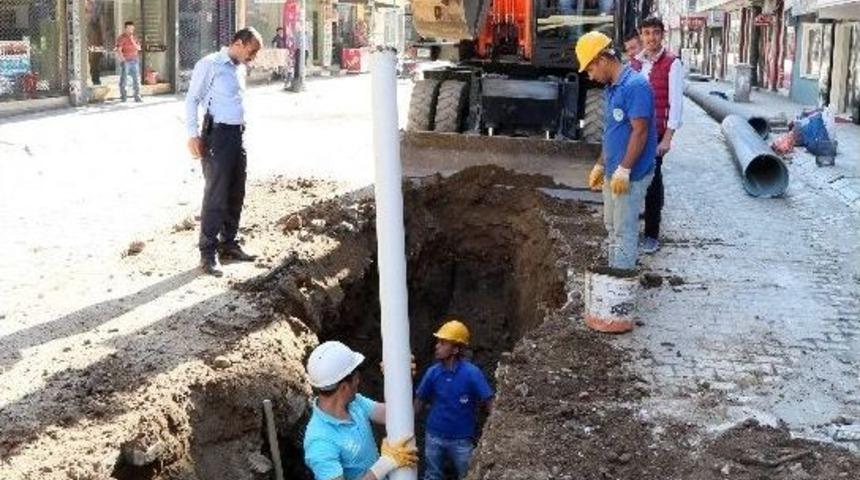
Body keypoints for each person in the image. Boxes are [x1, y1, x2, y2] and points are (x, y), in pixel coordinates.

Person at [185, 27, 263, 276]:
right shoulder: (210, 64)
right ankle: (207, 253)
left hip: (237, 135)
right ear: (238, 43)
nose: (252, 59)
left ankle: (228, 243)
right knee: (216, 194)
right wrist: (193, 134)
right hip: (216, 136)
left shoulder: (239, 67)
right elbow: (191, 99)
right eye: (251, 52)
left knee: (235, 191)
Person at [578, 31, 657, 271]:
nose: (590, 76)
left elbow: (640, 132)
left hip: (630, 174)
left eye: (590, 69)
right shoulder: (612, 88)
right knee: (612, 225)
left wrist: (624, 169)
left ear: (602, 59)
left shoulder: (635, 86)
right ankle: (614, 272)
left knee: (624, 230)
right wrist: (602, 164)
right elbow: (612, 133)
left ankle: (620, 286)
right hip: (614, 171)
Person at [303, 341, 418, 480]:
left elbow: (396, 415)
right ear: (344, 387)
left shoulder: (355, 403)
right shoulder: (320, 441)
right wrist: (385, 464)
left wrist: (399, 378)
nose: (358, 381)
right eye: (356, 377)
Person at [630, 16, 684, 254]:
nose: (651, 38)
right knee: (633, 180)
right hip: (634, 133)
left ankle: (652, 234)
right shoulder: (635, 63)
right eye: (646, 33)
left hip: (656, 134)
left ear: (662, 35)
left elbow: (676, 103)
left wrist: (668, 138)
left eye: (655, 33)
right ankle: (630, 229)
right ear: (641, 36)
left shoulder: (672, 64)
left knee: (652, 181)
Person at [414, 320, 494, 480]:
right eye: (438, 342)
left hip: (461, 440)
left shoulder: (472, 374)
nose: (437, 346)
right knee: (432, 475)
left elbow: (489, 401)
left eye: (443, 343)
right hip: (434, 436)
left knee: (468, 476)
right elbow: (419, 400)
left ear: (456, 349)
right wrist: (406, 427)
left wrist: (495, 431)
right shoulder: (433, 373)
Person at [115, 21, 141, 102]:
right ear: (125, 29)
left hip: (135, 60)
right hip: (126, 61)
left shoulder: (135, 37)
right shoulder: (121, 38)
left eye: (132, 28)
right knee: (124, 79)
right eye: (129, 28)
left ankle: (137, 96)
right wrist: (123, 59)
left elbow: (139, 48)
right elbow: (119, 50)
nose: (131, 30)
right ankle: (124, 96)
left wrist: (132, 40)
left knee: (136, 79)